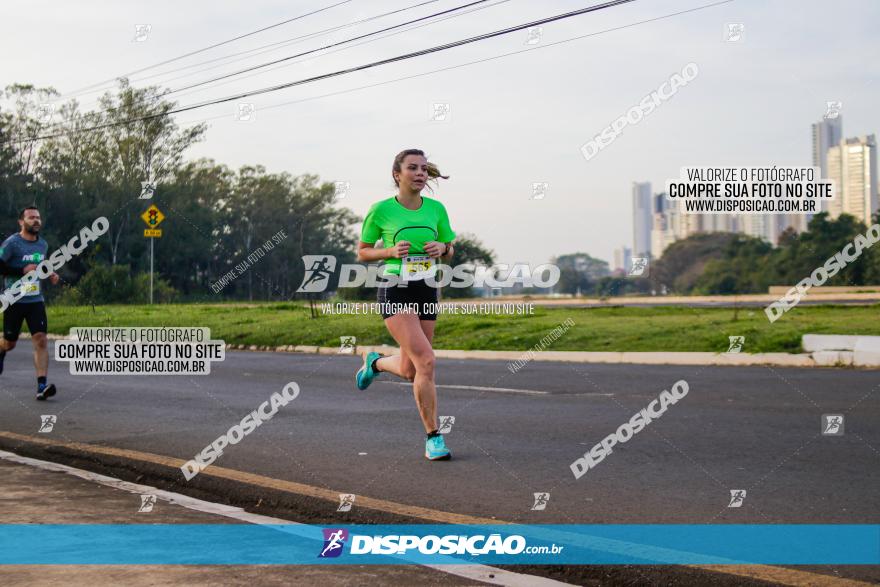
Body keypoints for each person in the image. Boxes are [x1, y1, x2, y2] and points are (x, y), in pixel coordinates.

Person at [355, 149, 456, 461]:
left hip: (426, 287)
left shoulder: (437, 209)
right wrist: (387, 253)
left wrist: (443, 247)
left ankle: (375, 363)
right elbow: (363, 252)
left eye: (424, 169)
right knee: (426, 361)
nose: (420, 173)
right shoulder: (381, 211)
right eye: (412, 168)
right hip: (395, 288)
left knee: (412, 370)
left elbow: (450, 248)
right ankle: (433, 437)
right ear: (397, 174)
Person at [0, 206, 60, 400]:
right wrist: (22, 270)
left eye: (38, 218)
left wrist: (49, 272)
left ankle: (41, 386)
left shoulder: (42, 244)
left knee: (41, 339)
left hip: (35, 301)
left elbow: (39, 265)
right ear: (21, 222)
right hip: (14, 300)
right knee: (10, 343)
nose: (36, 221)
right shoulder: (12, 244)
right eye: (31, 218)